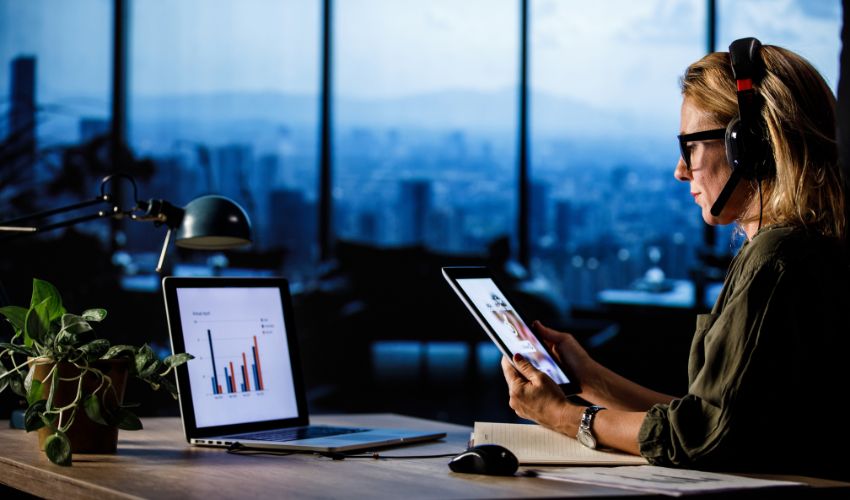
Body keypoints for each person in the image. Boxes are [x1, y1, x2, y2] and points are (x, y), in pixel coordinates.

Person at [500, 40, 850, 481]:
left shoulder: (776, 258)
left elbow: (704, 436)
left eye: (690, 147)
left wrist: (566, 418)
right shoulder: (804, 247)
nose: (681, 171)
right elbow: (713, 417)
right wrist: (588, 377)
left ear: (751, 147)